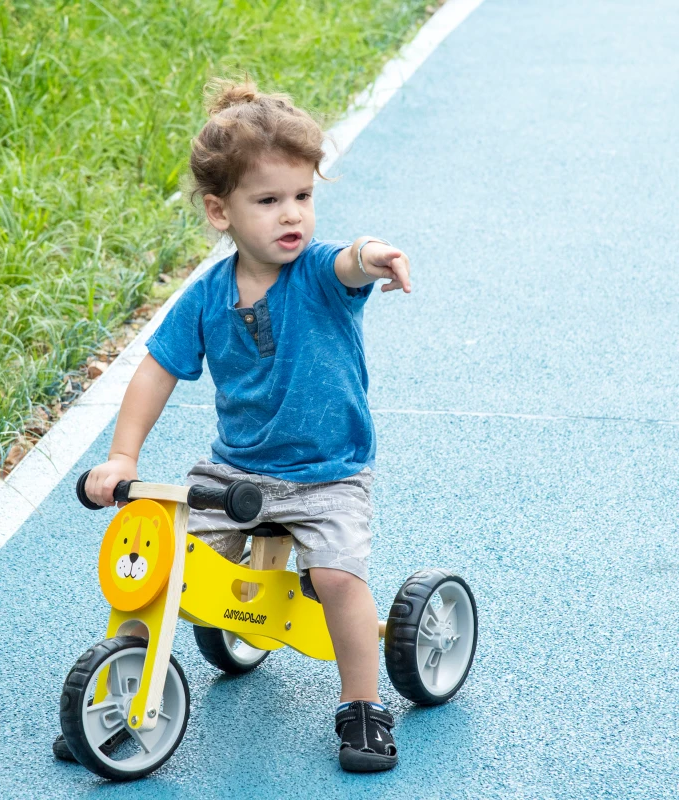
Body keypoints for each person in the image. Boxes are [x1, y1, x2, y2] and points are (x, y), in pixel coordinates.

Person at [76, 78, 411, 772]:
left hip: (326, 475)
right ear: (218, 210)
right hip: (235, 475)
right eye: (268, 201)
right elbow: (156, 372)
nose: (292, 215)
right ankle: (118, 687)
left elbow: (351, 260)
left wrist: (373, 254)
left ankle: (362, 704)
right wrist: (122, 456)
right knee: (163, 566)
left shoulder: (318, 275)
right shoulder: (206, 297)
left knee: (337, 580)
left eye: (303, 196)